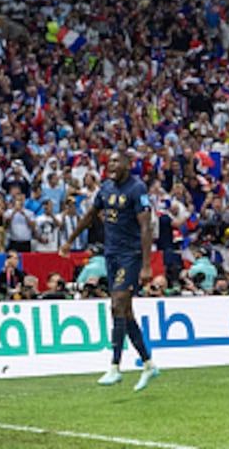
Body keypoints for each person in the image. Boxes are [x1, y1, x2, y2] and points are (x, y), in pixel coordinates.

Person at [62, 150, 159, 392]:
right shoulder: (105, 188)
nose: (111, 165)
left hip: (131, 256)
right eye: (109, 162)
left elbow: (146, 227)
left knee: (116, 305)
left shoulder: (137, 189)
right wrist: (70, 240)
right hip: (111, 255)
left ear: (128, 164)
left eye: (116, 161)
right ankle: (148, 365)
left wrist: (147, 265)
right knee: (125, 313)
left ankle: (115, 367)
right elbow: (89, 216)